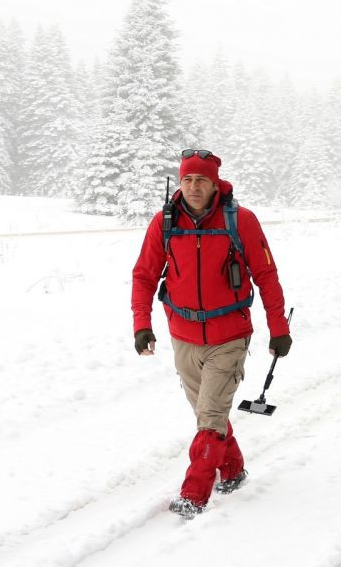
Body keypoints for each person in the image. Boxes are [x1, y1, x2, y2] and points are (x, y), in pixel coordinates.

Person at [130, 150, 292, 518]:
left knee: (210, 416)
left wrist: (278, 328)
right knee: (209, 416)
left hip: (229, 334)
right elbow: (144, 274)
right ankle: (232, 470)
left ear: (215, 182)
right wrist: (142, 324)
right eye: (187, 179)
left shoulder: (242, 221)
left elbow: (266, 276)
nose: (193, 187)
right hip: (183, 335)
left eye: (201, 180)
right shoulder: (165, 223)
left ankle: (194, 494)